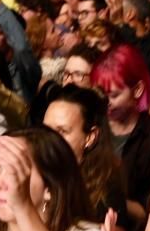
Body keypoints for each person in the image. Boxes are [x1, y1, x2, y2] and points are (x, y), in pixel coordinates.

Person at [91, 44, 150, 228]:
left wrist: (109, 194)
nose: (105, 102)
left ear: (138, 90)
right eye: (100, 94)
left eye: (114, 95)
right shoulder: (92, 126)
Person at [43, 85, 128, 223]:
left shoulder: (107, 195)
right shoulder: (32, 173)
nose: (48, 138)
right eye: (46, 129)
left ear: (90, 137)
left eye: (62, 131)